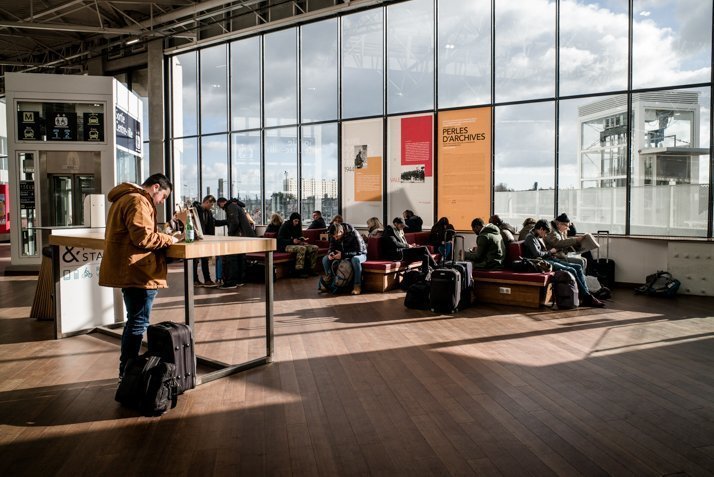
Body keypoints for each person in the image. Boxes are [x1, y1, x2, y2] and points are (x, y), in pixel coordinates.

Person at [98, 173, 180, 379]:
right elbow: (143, 237)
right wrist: (169, 238)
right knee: (137, 322)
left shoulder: (124, 198)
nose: (161, 203)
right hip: (139, 270)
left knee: (134, 320)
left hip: (130, 268)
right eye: (163, 197)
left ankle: (126, 370)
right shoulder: (138, 200)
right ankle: (127, 372)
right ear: (155, 188)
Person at [522, 219, 604, 307]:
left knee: (577, 267)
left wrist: (550, 253)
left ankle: (585, 294)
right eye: (545, 233)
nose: (545, 235)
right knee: (571, 269)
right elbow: (537, 254)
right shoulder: (530, 238)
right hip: (542, 262)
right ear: (541, 229)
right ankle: (587, 297)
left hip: (548, 259)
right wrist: (550, 252)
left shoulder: (537, 237)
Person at [215, 197, 256, 288]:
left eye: (219, 206)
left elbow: (234, 222)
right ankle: (239, 280)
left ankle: (231, 282)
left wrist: (230, 233)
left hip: (238, 236)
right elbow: (231, 221)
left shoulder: (230, 206)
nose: (221, 208)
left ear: (222, 203)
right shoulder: (236, 206)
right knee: (240, 258)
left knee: (232, 258)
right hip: (243, 236)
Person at [319, 222, 367, 295]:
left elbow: (359, 251)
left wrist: (343, 255)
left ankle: (357, 285)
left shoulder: (354, 233)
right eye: (334, 237)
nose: (335, 238)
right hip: (343, 255)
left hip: (360, 255)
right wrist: (330, 254)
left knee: (355, 260)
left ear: (341, 232)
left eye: (337, 237)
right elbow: (331, 248)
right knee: (325, 259)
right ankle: (331, 282)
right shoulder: (334, 234)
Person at [277, 212, 319, 277]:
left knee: (315, 248)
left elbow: (298, 237)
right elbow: (280, 240)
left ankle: (311, 269)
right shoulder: (285, 226)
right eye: (295, 221)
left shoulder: (297, 226)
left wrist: (302, 241)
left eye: (298, 221)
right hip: (284, 246)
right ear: (291, 220)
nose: (297, 223)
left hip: (295, 244)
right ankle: (298, 271)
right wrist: (292, 241)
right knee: (302, 248)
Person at [193, 195, 217, 287]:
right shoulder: (195, 210)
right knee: (195, 260)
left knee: (204, 259)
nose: (211, 207)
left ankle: (207, 280)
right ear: (206, 202)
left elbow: (214, 223)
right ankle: (195, 280)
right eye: (211, 204)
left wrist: (227, 221)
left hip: (206, 239)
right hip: (197, 239)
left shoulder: (208, 212)